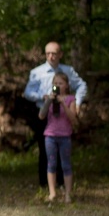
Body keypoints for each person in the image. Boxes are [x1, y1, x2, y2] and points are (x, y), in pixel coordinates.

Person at [23, 41, 86, 187]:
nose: (51, 57)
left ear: (60, 54)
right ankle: (45, 183)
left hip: (64, 115)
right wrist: (42, 97)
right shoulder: (37, 72)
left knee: (63, 147)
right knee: (44, 148)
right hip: (44, 113)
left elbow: (81, 85)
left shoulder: (68, 71)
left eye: (54, 53)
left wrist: (77, 102)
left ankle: (62, 182)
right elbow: (27, 92)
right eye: (48, 54)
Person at [38, 72, 77, 203]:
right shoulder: (49, 99)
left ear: (66, 85)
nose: (58, 85)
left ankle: (68, 194)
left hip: (65, 136)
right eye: (55, 83)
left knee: (66, 165)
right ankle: (52, 193)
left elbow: (73, 118)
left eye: (60, 83)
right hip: (50, 136)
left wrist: (63, 104)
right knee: (51, 164)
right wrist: (49, 100)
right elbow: (41, 116)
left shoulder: (71, 99)